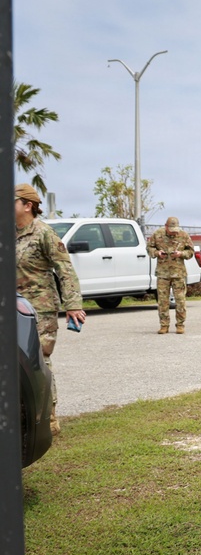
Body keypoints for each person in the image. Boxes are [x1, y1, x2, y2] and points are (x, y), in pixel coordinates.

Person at [14, 183, 86, 437]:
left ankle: (49, 418)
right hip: (14, 308)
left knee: (38, 361)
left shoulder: (44, 233)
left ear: (27, 205)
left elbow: (64, 269)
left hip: (40, 309)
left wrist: (73, 305)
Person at [147, 216, 194, 334]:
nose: (173, 232)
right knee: (163, 301)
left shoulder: (184, 235)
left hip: (178, 273)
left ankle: (180, 324)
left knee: (180, 300)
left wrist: (181, 253)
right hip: (163, 273)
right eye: (171, 229)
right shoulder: (157, 234)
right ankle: (164, 325)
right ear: (166, 226)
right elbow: (149, 248)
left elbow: (190, 252)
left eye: (175, 230)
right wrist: (157, 253)